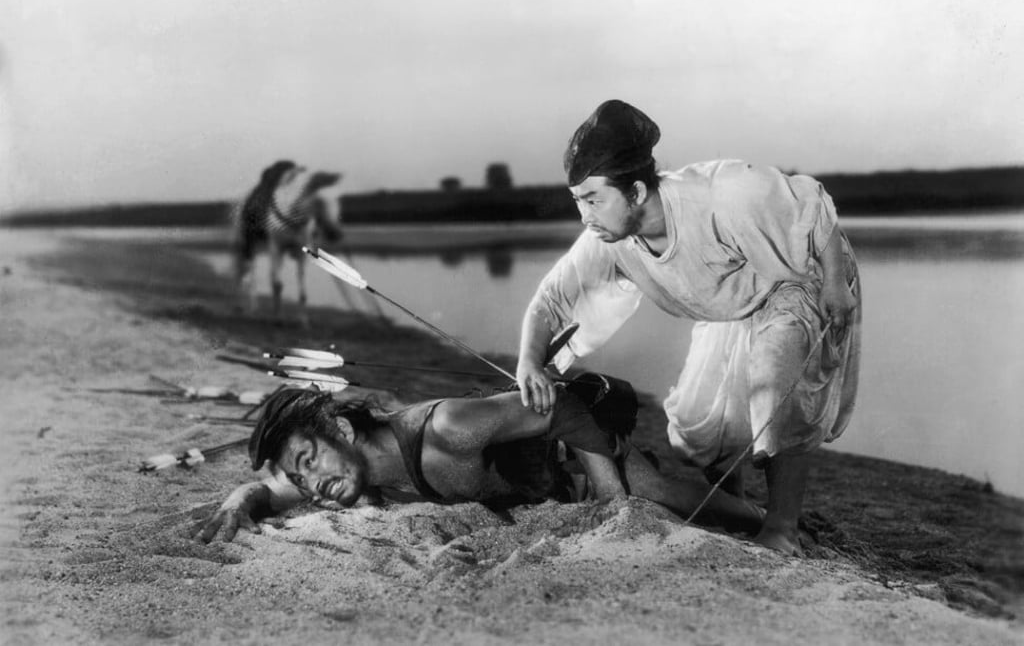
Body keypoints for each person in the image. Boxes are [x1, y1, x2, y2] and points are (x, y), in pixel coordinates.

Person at [516, 99, 861, 556]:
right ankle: (735, 502)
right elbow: (552, 299)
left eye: (594, 200)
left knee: (775, 386)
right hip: (735, 298)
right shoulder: (608, 240)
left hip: (802, 275)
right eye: (579, 202)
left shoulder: (725, 192)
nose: (585, 216)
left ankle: (782, 527)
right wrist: (528, 362)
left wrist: (835, 285)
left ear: (636, 192)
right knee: (702, 421)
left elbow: (816, 211)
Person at [195, 376, 765, 543]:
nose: (310, 482)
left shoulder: (446, 429)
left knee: (656, 493)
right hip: (534, 491)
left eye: (309, 459)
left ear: (341, 429)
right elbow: (270, 490)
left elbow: (559, 404)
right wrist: (237, 500)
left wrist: (612, 497)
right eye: (302, 474)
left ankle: (768, 522)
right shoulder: (344, 475)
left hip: (573, 453)